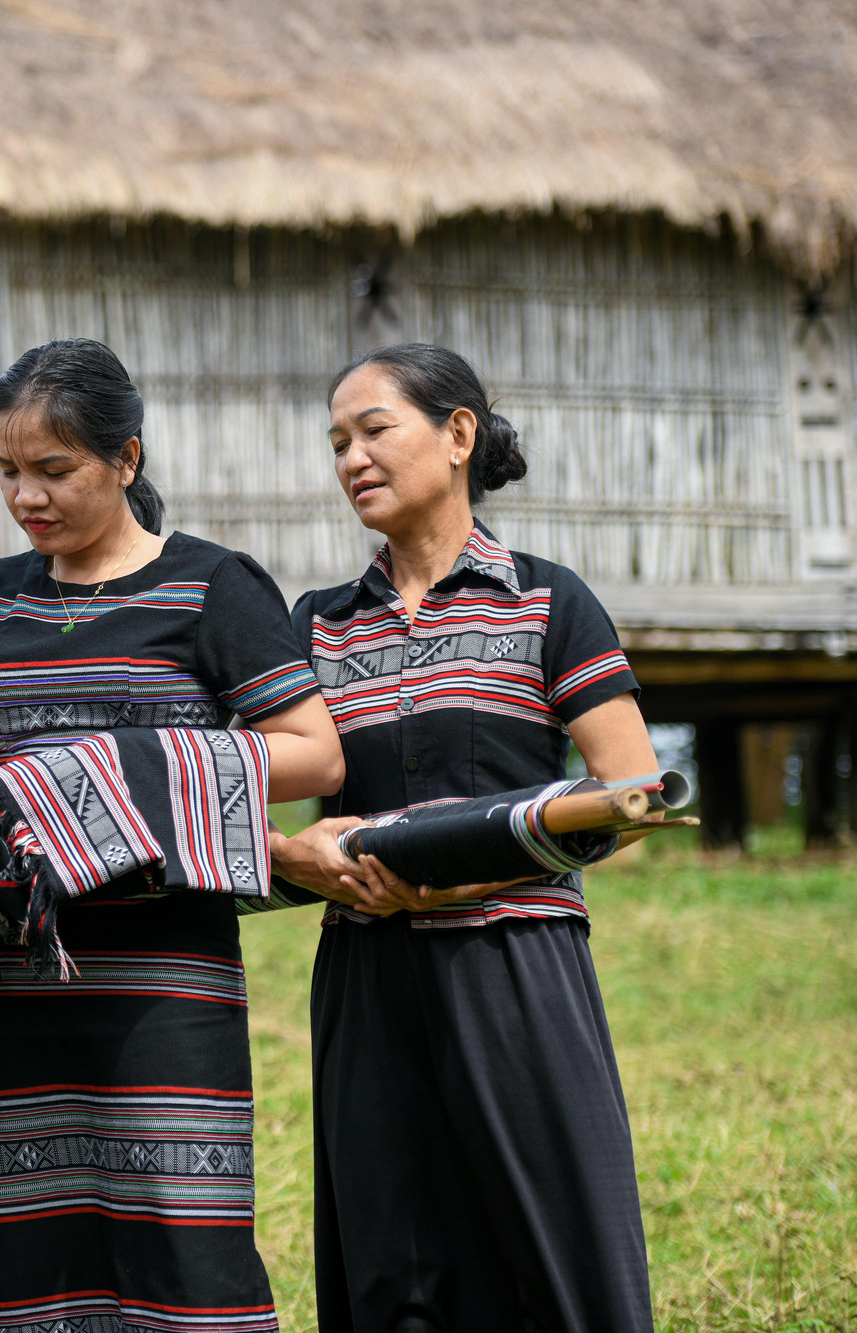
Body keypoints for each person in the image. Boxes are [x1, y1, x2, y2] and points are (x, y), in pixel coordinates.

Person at [0, 338, 346, 1332]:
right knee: (10, 1242)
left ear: (124, 460)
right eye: (5, 471)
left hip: (163, 979)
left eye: (51, 470)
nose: (24, 496)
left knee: (178, 1236)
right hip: (10, 977)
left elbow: (313, 754)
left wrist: (118, 777)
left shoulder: (211, 587)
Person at [272, 343, 657, 1333]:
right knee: (392, 1258)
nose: (349, 458)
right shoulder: (314, 626)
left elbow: (632, 793)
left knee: (553, 1241)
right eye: (335, 442)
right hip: (365, 973)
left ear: (456, 435)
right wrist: (301, 858)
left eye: (371, 430)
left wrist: (477, 866)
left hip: (513, 963)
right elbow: (256, 795)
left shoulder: (545, 600)